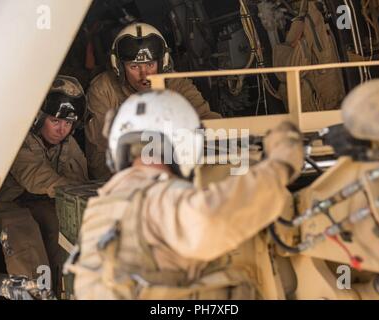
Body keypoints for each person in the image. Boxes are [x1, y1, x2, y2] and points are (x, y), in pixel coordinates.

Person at [69, 89, 304, 299]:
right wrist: (281, 164)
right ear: (185, 142)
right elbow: (212, 220)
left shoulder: (101, 206)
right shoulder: (159, 197)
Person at [0, 75, 89, 296]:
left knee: (61, 230)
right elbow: (36, 177)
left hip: (39, 201)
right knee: (25, 236)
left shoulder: (68, 143)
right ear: (39, 117)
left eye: (68, 123)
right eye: (55, 121)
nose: (61, 129)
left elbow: (81, 181)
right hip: (5, 203)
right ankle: (36, 294)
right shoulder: (20, 139)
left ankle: (66, 292)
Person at [85, 22, 222, 180]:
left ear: (162, 62)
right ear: (120, 67)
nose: (145, 75)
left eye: (150, 64)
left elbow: (207, 121)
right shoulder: (103, 90)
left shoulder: (176, 84)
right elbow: (100, 155)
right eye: (134, 67)